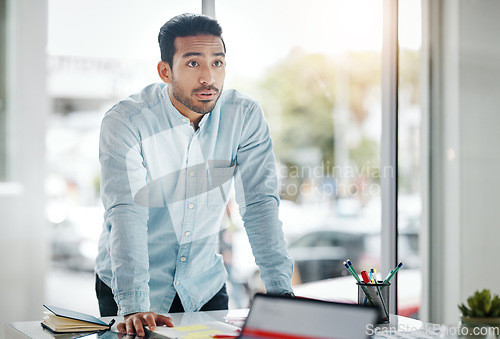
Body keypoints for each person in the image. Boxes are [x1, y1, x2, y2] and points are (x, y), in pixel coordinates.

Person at [94, 13, 294, 336]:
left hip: (203, 287)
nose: (208, 78)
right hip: (131, 289)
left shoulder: (244, 116)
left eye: (217, 63)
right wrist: (132, 305)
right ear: (165, 71)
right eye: (192, 64)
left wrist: (280, 292)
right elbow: (127, 212)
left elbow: (259, 204)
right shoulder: (127, 121)